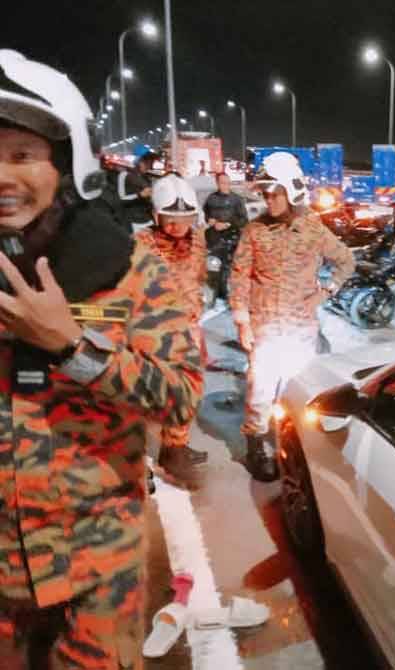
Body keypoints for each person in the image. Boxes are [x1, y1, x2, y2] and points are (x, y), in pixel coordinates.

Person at [0, 49, 203, 669]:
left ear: (68, 165)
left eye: (22, 155)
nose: (1, 176)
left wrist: (72, 348)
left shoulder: (126, 268)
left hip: (97, 560)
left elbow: (180, 394)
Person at [229, 152, 355, 481]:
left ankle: (291, 437)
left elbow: (346, 261)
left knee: (296, 385)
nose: (268, 200)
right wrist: (242, 321)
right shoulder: (254, 231)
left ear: (292, 191)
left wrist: (325, 292)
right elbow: (239, 276)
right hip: (265, 326)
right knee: (260, 389)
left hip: (300, 327)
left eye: (275, 193)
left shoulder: (313, 229)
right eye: (265, 194)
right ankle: (257, 445)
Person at [134, 174, 210, 483]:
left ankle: (174, 448)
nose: (178, 225)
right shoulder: (141, 244)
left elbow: (199, 276)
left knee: (187, 392)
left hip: (188, 328)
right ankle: (136, 460)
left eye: (185, 218)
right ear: (156, 215)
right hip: (153, 332)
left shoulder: (198, 241)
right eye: (170, 218)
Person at [202, 172, 248, 306]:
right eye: (222, 183)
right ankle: (215, 295)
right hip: (214, 239)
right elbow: (206, 214)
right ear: (217, 183)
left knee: (229, 268)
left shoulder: (237, 199)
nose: (225, 185)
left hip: (231, 238)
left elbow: (244, 220)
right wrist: (210, 221)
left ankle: (229, 296)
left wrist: (228, 224)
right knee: (214, 267)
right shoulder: (211, 198)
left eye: (227, 183)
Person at [118, 144, 159, 230]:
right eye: (145, 161)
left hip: (149, 221)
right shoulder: (124, 175)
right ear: (137, 161)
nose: (149, 165)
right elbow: (119, 201)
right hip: (133, 223)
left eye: (150, 161)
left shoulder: (147, 177)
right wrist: (140, 195)